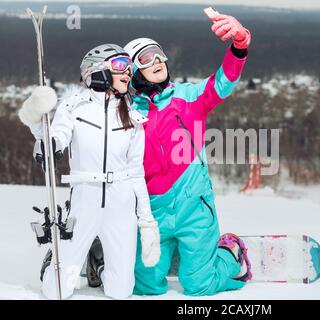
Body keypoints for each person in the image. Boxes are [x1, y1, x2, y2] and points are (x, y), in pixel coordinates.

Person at [123, 9, 253, 296]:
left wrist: (239, 45)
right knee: (145, 287)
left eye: (159, 54)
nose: (157, 60)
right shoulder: (128, 114)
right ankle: (175, 257)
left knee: (198, 286)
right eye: (146, 58)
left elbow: (223, 81)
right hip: (152, 212)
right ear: (132, 71)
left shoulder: (189, 97)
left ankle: (229, 253)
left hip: (194, 206)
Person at [18, 44, 160, 299]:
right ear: (98, 70)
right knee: (56, 293)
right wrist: (40, 125)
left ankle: (98, 260)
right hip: (85, 201)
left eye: (129, 66)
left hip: (121, 204)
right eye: (119, 65)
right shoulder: (74, 107)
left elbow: (136, 174)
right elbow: (55, 139)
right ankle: (57, 260)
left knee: (121, 291)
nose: (127, 71)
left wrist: (147, 222)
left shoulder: (134, 119)